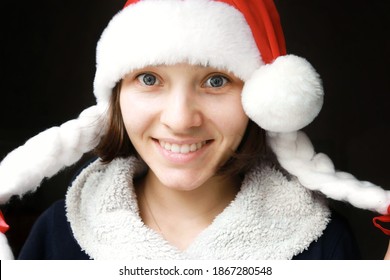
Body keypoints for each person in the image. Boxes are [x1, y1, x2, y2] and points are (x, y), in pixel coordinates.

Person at [0, 0, 389, 260]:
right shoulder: (59, 233)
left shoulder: (322, 243)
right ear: (116, 95)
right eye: (150, 78)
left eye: (216, 81)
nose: (181, 119)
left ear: (265, 98)